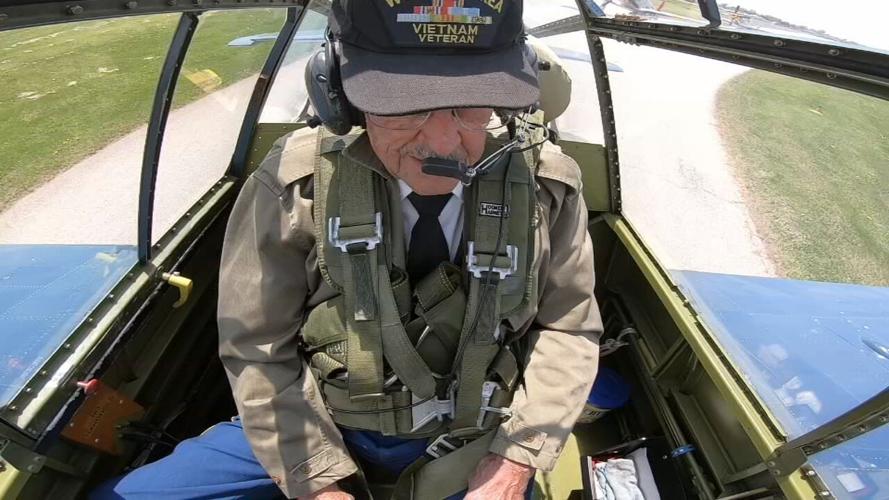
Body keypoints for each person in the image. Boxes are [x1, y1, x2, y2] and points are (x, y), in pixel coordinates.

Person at [92, 1, 601, 498]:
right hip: (318, 423)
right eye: (406, 106)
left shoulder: (544, 185)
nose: (445, 142)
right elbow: (257, 346)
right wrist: (314, 478)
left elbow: (570, 328)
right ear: (340, 95)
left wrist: (515, 460)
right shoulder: (297, 185)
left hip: (475, 440)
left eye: (470, 106)